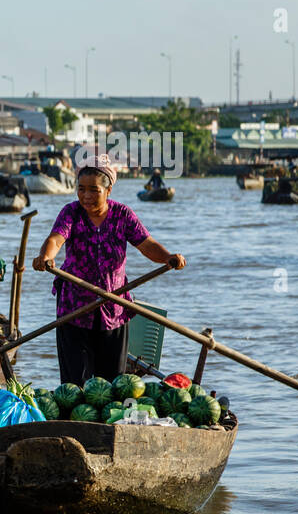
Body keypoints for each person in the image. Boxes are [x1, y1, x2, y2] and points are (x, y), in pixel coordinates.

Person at [32, 153, 185, 384]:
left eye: (94, 190)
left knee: (112, 383)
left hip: (113, 306)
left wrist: (168, 258)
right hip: (74, 309)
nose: (86, 196)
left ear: (109, 190)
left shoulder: (123, 215)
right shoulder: (71, 213)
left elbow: (147, 245)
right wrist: (45, 257)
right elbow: (55, 239)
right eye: (81, 189)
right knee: (76, 383)